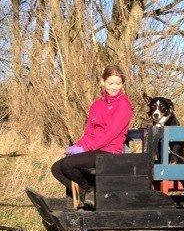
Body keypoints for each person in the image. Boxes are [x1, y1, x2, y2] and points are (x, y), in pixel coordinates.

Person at [51, 65, 133, 208]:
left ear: (122, 84)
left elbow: (109, 135)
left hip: (109, 151)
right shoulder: (97, 104)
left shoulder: (124, 105)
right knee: (56, 168)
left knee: (67, 165)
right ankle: (86, 195)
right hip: (94, 148)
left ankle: (89, 191)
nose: (114, 87)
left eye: (118, 84)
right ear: (103, 82)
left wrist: (85, 148)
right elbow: (89, 131)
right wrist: (77, 145)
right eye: (110, 83)